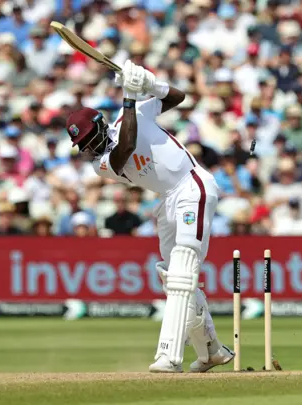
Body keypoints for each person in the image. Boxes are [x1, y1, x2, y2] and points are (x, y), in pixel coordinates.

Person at [65, 60, 233, 373]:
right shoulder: (100, 164)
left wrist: (149, 85)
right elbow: (126, 147)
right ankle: (210, 350)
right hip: (167, 200)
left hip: (192, 185)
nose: (88, 148)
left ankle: (169, 356)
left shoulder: (135, 114)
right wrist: (129, 94)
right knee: (172, 275)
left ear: (101, 125)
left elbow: (177, 97)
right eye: (83, 145)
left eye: (89, 140)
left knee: (184, 268)